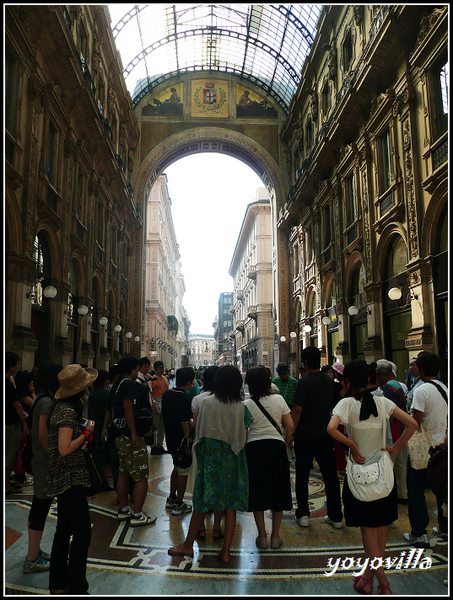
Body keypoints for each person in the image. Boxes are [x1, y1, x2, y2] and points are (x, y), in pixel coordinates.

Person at [327, 359, 418, 595]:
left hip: (359, 475)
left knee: (368, 530)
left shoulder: (346, 403)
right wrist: (396, 448)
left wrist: (351, 446)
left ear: (347, 381)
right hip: (383, 474)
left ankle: (384, 584)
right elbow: (412, 423)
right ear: (369, 379)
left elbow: (331, 429)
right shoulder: (382, 401)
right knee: (379, 529)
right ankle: (368, 578)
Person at [168, 365, 253, 564]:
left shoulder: (206, 403)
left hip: (210, 460)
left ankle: (188, 546)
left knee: (201, 503)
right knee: (230, 506)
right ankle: (225, 551)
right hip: (233, 459)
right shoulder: (242, 407)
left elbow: (199, 430)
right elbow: (245, 433)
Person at [45, 364, 97, 594]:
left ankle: (58, 583)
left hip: (65, 477)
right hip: (69, 479)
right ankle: (76, 585)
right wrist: (86, 434)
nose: (88, 389)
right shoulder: (66, 411)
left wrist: (82, 437)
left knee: (64, 530)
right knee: (83, 532)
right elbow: (65, 449)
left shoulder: (62, 408)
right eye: (86, 386)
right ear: (79, 390)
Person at [291, 346, 343, 529]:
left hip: (305, 435)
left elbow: (297, 410)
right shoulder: (330, 381)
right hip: (325, 434)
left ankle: (303, 514)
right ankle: (336, 516)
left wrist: (290, 433)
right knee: (330, 476)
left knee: (303, 475)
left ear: (304, 363)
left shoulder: (303, 383)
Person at [244, 366, 294, 550]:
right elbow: (290, 425)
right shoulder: (279, 399)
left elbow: (245, 431)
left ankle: (262, 537)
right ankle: (275, 536)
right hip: (276, 446)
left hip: (255, 449)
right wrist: (286, 442)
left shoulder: (247, 404)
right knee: (277, 489)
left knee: (258, 490)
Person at [404, 351, 448, 548]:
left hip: (424, 450)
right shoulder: (444, 388)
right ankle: (445, 527)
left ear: (420, 369)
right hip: (442, 447)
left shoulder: (421, 391)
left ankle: (419, 533)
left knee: (415, 490)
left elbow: (416, 423)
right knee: (441, 490)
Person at [24, 362, 62, 575]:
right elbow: (41, 434)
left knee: (38, 506)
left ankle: (35, 550)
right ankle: (31, 559)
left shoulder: (40, 397)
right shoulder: (47, 401)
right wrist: (54, 456)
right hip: (43, 462)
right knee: (40, 506)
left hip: (39, 459)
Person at [113, 356, 157, 526]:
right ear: (133, 369)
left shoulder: (118, 384)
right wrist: (134, 433)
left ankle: (124, 509)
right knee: (141, 475)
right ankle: (137, 515)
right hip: (128, 435)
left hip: (119, 434)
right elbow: (128, 408)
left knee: (123, 472)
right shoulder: (128, 384)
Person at [189, 366, 224, 539]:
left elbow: (195, 426)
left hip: (202, 445)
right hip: (221, 447)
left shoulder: (198, 399)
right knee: (219, 488)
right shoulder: (227, 399)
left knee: (200, 486)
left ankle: (201, 527)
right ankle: (217, 528)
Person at [161, 367, 195, 516]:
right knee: (183, 471)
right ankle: (179, 503)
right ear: (189, 381)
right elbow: (184, 423)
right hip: (181, 440)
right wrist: (189, 442)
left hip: (170, 437)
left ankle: (171, 496)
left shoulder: (167, 394)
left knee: (176, 467)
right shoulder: (183, 397)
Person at [376, 359, 408, 503]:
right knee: (401, 463)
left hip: (394, 431)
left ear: (381, 373)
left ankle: (387, 495)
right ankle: (403, 493)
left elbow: (388, 412)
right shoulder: (397, 384)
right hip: (402, 429)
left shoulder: (388, 386)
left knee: (389, 464)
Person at [6, 351, 27, 494]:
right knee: (9, 454)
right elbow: (16, 405)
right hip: (10, 423)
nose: (18, 366)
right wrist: (23, 420)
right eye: (17, 363)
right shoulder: (7, 382)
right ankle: (5, 485)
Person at [88, 370, 110, 473]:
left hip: (92, 426)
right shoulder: (105, 394)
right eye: (107, 379)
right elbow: (107, 410)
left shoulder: (92, 393)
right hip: (101, 425)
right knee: (102, 452)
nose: (108, 381)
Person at [150, 360, 169, 454]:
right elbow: (150, 391)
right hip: (156, 401)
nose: (161, 369)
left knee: (162, 426)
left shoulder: (165, 379)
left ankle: (160, 445)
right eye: (159, 368)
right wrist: (153, 401)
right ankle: (153, 446)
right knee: (155, 425)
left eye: (162, 367)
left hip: (164, 402)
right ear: (155, 369)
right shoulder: (153, 379)